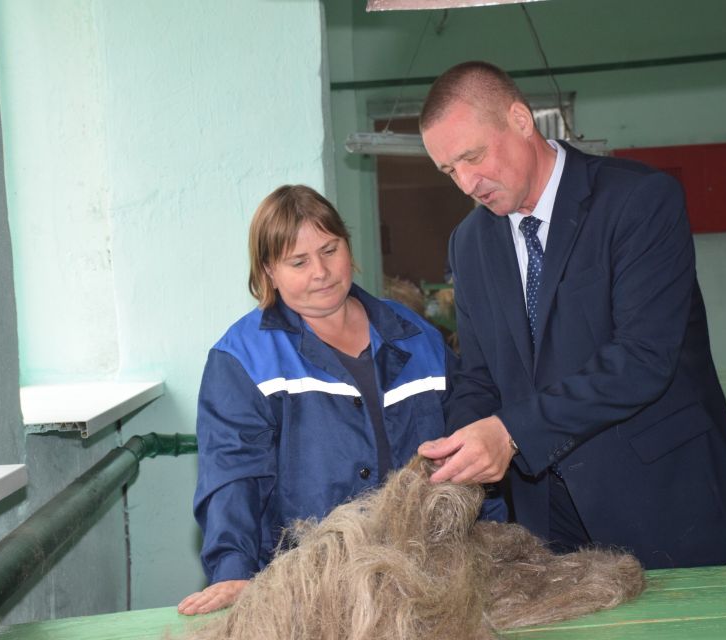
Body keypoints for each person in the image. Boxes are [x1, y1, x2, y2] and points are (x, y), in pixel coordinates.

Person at [416, 61, 726, 569]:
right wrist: (464, 445)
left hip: (662, 504)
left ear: (520, 120)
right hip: (545, 521)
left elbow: (642, 359)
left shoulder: (637, 201)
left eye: (473, 156)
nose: (467, 182)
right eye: (450, 170)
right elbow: (479, 374)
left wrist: (509, 433)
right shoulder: (469, 244)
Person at [179, 185, 503, 615]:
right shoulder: (243, 359)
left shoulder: (414, 335)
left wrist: (496, 537)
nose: (321, 271)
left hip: (428, 575)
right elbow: (232, 477)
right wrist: (232, 569)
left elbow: (469, 443)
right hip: (309, 586)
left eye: (330, 250)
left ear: (348, 246)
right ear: (269, 271)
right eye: (298, 262)